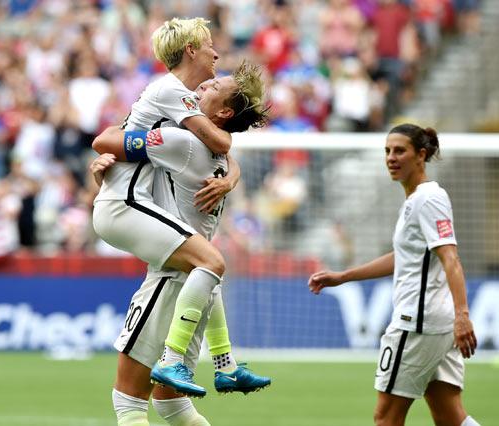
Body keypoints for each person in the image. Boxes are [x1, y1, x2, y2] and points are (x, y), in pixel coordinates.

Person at [92, 61, 270, 426]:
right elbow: (222, 148)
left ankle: (177, 360)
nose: (201, 86)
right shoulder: (217, 154)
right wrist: (233, 175)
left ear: (221, 112)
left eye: (212, 87)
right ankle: (225, 363)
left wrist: (106, 165)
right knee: (172, 405)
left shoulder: (181, 142)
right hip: (195, 286)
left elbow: (107, 140)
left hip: (169, 279)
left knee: (127, 402)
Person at [308, 124, 480, 426]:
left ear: (421, 155)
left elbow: (451, 258)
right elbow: (404, 257)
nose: (391, 157)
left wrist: (463, 314)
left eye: (400, 150)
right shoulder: (418, 199)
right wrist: (344, 276)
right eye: (387, 151)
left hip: (417, 324)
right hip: (436, 324)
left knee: (386, 418)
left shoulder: (427, 199)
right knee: (450, 416)